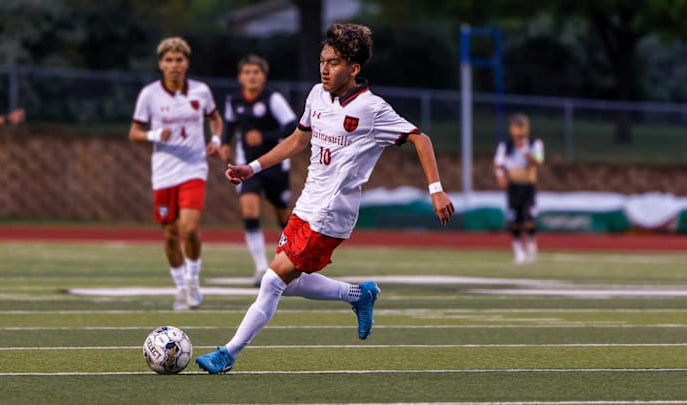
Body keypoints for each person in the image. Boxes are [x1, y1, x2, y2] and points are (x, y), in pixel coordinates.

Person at [195, 23, 454, 374]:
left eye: (333, 62)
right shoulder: (317, 95)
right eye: (322, 61)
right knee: (288, 281)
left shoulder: (372, 109)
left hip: (334, 212)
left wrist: (436, 191)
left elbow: (421, 139)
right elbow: (296, 141)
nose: (324, 68)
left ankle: (228, 353)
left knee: (273, 280)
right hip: (307, 203)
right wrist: (251, 168)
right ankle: (358, 295)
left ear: (354, 68)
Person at [129, 37, 223, 310]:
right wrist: (155, 134)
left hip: (194, 167)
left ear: (186, 63)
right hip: (163, 171)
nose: (174, 65)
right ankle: (180, 287)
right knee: (170, 234)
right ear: (161, 64)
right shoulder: (149, 95)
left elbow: (215, 118)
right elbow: (133, 132)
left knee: (190, 228)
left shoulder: (201, 91)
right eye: (169, 60)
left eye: (179, 60)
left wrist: (215, 141)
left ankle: (193, 280)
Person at [220, 54, 297, 286]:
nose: (252, 77)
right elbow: (230, 124)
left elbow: (292, 125)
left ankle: (293, 261)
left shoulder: (272, 98)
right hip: (247, 167)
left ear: (264, 76)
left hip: (275, 165)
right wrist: (224, 143)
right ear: (239, 77)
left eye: (256, 72)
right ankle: (261, 268)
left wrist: (264, 136)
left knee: (283, 215)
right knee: (249, 209)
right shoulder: (233, 100)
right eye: (247, 72)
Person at [493, 113, 544, 264]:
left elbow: (538, 162)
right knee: (514, 220)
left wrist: (524, 151)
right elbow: (498, 164)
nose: (519, 130)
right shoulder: (505, 146)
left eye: (521, 126)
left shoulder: (534, 144)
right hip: (513, 187)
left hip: (528, 186)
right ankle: (518, 251)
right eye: (516, 126)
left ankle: (531, 244)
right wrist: (500, 174)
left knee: (529, 218)